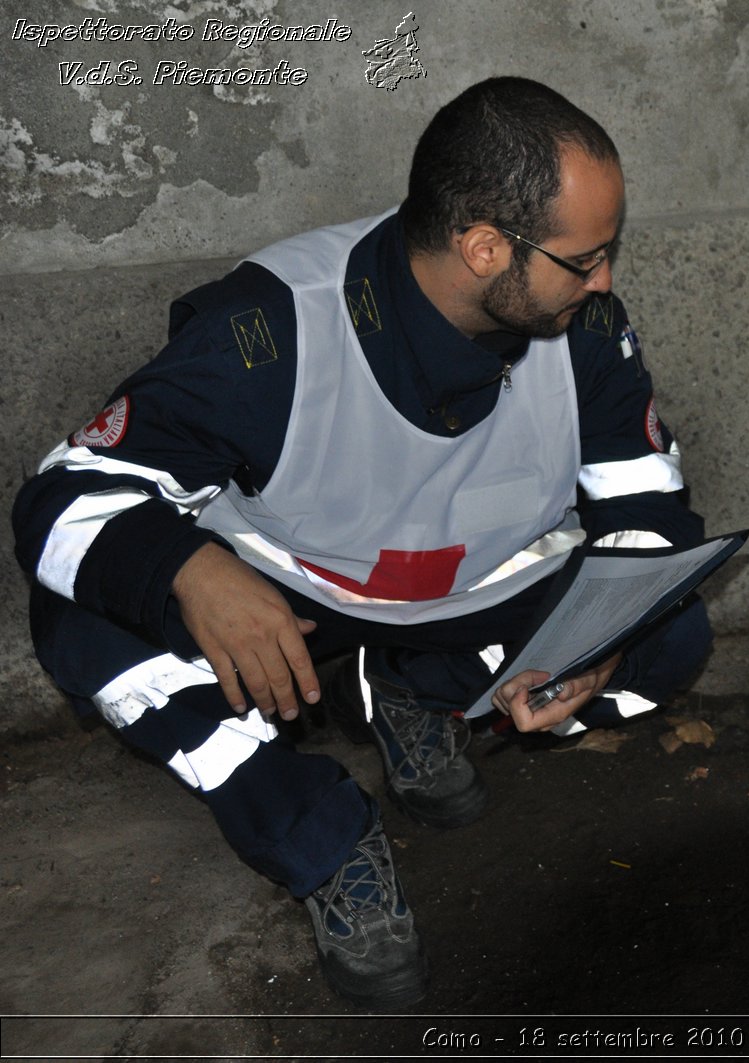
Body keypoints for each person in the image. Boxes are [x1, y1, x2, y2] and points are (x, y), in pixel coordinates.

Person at [11, 77, 711, 1010]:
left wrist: (602, 639)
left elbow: (650, 508)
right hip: (296, 605)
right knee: (80, 623)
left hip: (467, 600)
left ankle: (412, 695)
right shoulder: (272, 330)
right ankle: (319, 833)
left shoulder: (577, 324)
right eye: (586, 258)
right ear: (483, 247)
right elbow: (57, 500)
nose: (606, 281)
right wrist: (190, 568)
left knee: (676, 629)